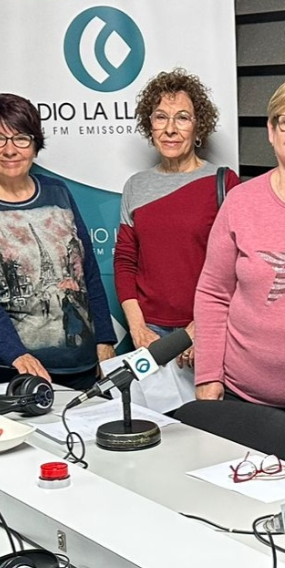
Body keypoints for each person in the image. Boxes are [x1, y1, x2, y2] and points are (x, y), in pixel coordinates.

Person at [192, 76, 285, 479]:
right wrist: (208, 380)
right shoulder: (242, 201)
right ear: (271, 132)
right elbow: (212, 293)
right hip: (245, 405)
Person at [0, 93, 115, 391]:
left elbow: (87, 273)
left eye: (21, 138)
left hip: (79, 368)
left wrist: (104, 339)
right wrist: (16, 353)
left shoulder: (57, 193)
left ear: (35, 144)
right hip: (1, 371)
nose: (10, 150)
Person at [115, 68, 237, 367]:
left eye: (182, 117)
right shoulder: (136, 186)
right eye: (160, 117)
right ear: (150, 125)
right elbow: (125, 261)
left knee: (204, 414)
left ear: (198, 127)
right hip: (149, 333)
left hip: (206, 327)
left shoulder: (224, 183)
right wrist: (138, 328)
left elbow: (237, 267)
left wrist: (199, 330)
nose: (170, 129)